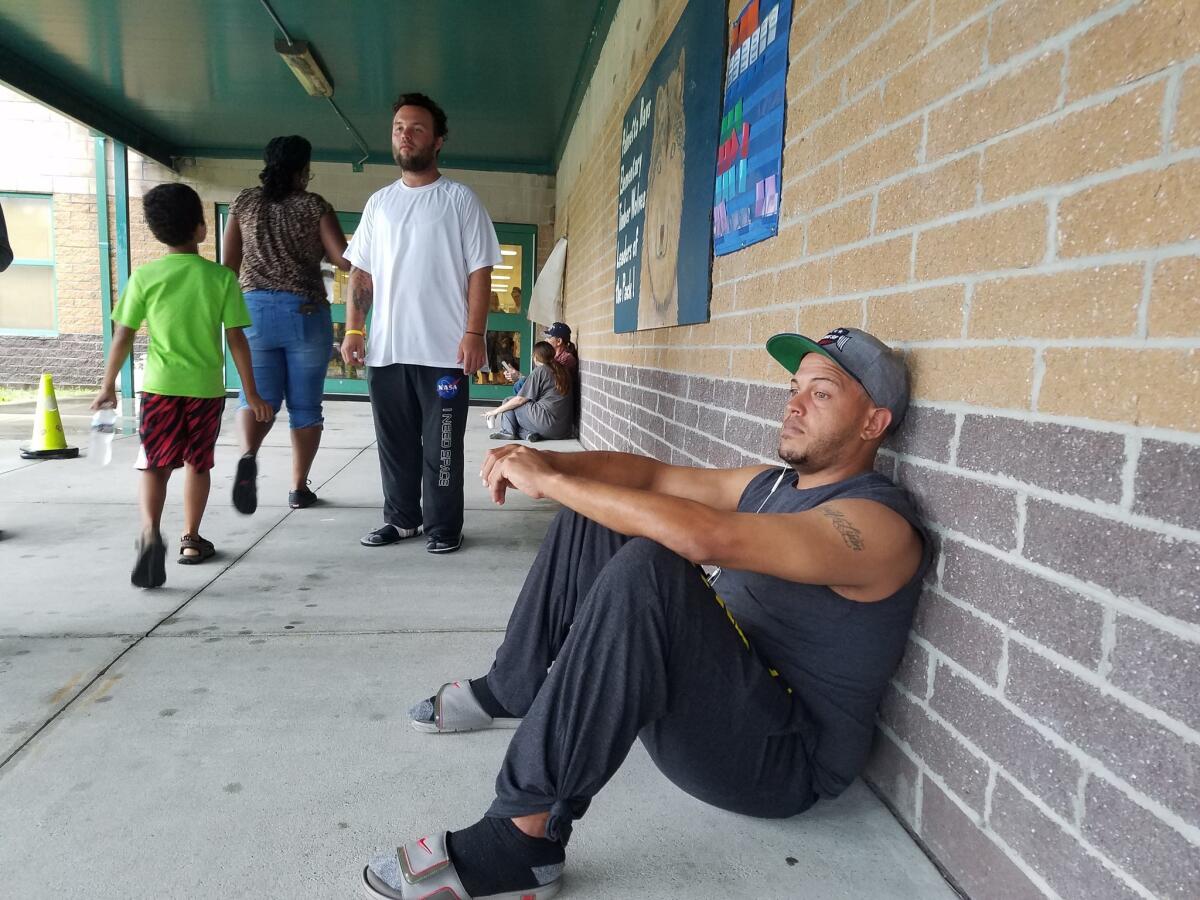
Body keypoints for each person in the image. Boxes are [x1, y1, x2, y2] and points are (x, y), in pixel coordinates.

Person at [361, 327, 931, 900]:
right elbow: (655, 477)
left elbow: (707, 538)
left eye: (822, 393)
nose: (795, 403)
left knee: (651, 566)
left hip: (775, 761)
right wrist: (553, 467)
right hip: (708, 702)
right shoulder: (773, 486)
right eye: (794, 387)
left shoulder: (877, 526)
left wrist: (555, 480)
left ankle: (521, 843)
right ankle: (512, 687)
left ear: (873, 423)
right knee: (599, 508)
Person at [342, 93, 501, 554]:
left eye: (415, 128)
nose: (404, 136)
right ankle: (402, 520)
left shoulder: (460, 201)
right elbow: (361, 272)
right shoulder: (379, 205)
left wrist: (474, 334)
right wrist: (354, 328)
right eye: (398, 128)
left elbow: (480, 272)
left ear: (437, 141)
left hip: (444, 355)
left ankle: (444, 525)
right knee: (395, 447)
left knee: (442, 449)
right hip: (388, 351)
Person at [92, 184, 272, 589]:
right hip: (204, 390)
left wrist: (107, 386)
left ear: (157, 231)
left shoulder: (145, 277)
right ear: (202, 229)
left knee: (155, 465)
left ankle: (152, 534)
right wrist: (253, 392)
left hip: (158, 387)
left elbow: (123, 335)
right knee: (198, 462)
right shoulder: (221, 278)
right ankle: (191, 539)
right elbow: (237, 339)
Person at [221, 135, 351, 512]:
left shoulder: (244, 202)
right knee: (306, 407)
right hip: (305, 314)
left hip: (253, 313)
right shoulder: (313, 206)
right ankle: (298, 487)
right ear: (304, 169)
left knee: (255, 397)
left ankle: (249, 456)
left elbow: (228, 265)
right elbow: (343, 260)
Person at [484, 341, 573, 442]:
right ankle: (528, 435)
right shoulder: (562, 369)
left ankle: (507, 432)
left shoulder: (540, 370)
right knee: (518, 410)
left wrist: (495, 411)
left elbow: (520, 400)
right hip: (563, 430)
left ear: (535, 357)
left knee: (509, 401)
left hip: (547, 424)